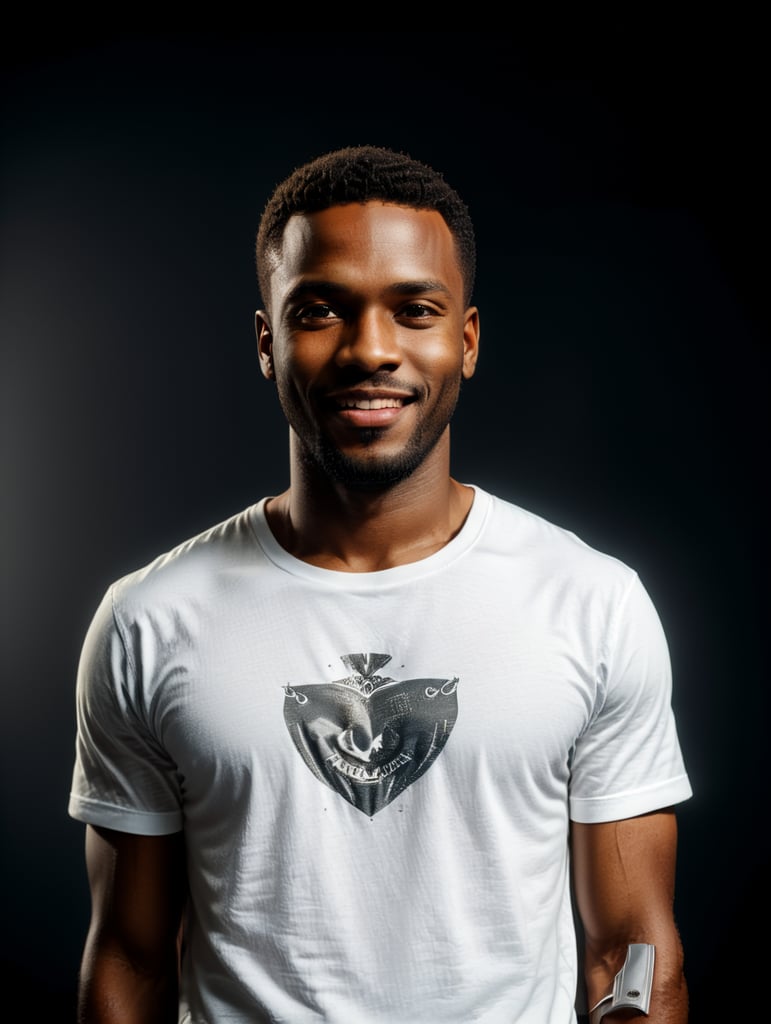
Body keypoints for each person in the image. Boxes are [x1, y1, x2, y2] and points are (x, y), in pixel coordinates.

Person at [68, 145, 693, 1024]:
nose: (370, 350)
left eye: (414, 311)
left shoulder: (592, 605)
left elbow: (628, 949)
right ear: (266, 341)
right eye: (320, 309)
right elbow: (130, 962)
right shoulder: (149, 623)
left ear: (464, 340)